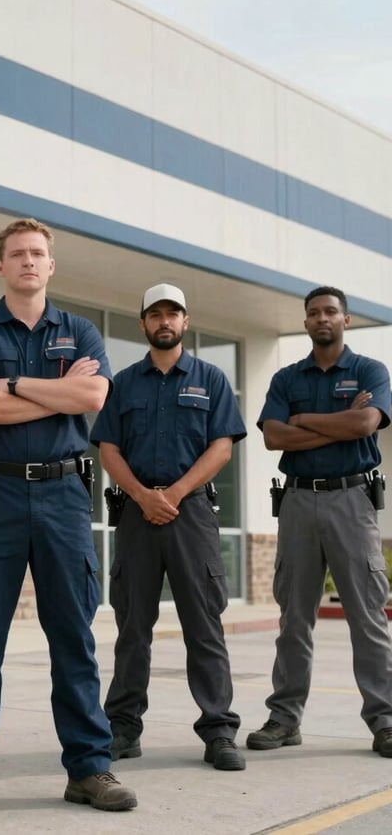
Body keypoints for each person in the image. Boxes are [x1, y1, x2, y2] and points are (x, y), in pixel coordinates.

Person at [0, 218, 137, 819]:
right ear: (0, 266)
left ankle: (91, 768)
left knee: (73, 634)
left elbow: (91, 399)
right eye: (16, 253)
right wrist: (52, 389)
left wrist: (12, 384)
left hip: (64, 494)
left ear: (51, 265)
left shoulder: (80, 331)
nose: (27, 261)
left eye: (37, 253)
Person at [91, 283, 247, 772]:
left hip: (191, 512)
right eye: (154, 314)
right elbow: (108, 449)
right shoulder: (123, 384)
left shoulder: (211, 378)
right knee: (132, 625)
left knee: (204, 624)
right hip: (137, 514)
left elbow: (222, 446)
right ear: (142, 324)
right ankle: (123, 728)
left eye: (172, 314)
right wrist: (142, 496)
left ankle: (219, 730)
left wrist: (174, 495)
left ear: (185, 321)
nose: (164, 321)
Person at [247, 285, 392, 756]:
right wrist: (332, 421)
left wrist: (303, 423)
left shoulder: (370, 371)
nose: (322, 318)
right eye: (313, 313)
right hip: (297, 503)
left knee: (368, 617)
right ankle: (284, 718)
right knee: (294, 618)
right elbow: (272, 437)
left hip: (352, 501)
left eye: (331, 311)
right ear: (306, 322)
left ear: (345, 320)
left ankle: (385, 720)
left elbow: (365, 425)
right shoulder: (287, 378)